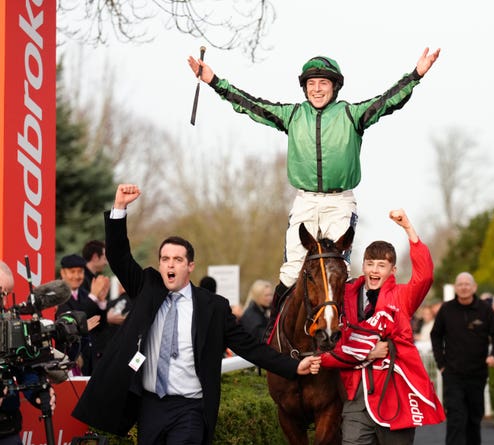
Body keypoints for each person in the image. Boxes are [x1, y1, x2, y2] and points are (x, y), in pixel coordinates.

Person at [187, 47, 441, 330]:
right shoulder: (292, 115)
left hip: (339, 202)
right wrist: (214, 81)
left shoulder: (351, 114)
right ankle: (273, 334)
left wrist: (416, 74)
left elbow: (386, 102)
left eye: (323, 83)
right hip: (305, 201)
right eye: (311, 84)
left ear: (334, 86)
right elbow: (250, 105)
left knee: (336, 269)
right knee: (292, 271)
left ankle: (344, 331)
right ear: (304, 88)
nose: (317, 89)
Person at [72, 184, 321, 445]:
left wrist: (294, 366)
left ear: (190, 266)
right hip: (150, 407)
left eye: (177, 260)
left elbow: (250, 347)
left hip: (190, 409)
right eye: (165, 258)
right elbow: (118, 256)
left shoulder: (212, 307)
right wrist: (120, 207)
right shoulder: (146, 286)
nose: (170, 264)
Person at [320, 209, 444, 444]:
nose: (374, 270)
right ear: (363, 267)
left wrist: (408, 227)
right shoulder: (345, 295)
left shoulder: (402, 297)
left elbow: (425, 276)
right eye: (370, 264)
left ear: (392, 271)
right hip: (356, 397)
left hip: (394, 396)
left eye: (381, 265)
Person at [430, 271, 494, 445]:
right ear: (455, 288)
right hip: (452, 374)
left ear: (474, 287)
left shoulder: (485, 309)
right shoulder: (446, 309)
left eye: (467, 284)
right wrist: (441, 364)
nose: (464, 287)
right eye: (460, 284)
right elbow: (436, 336)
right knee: (456, 418)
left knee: (474, 419)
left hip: (477, 374)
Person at [0, 261, 57, 445]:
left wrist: (38, 394)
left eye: (7, 295)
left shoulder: (11, 325)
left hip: (8, 431)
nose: (5, 302)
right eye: (1, 294)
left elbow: (24, 368)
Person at [55, 254, 110, 375]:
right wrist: (94, 296)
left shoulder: (86, 294)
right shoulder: (57, 295)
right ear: (63, 273)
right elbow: (75, 320)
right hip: (69, 358)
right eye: (72, 272)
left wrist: (101, 302)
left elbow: (100, 325)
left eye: (80, 272)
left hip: (90, 356)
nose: (76, 276)